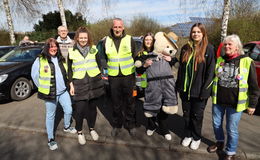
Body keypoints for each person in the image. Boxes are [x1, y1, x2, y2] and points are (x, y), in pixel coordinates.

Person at [207, 34, 259, 160]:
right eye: (225, 44)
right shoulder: (220, 60)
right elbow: (214, 78)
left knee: (232, 129)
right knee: (216, 124)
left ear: (237, 47)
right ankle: (220, 142)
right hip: (218, 100)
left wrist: (252, 104)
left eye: (230, 44)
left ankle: (230, 152)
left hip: (235, 103)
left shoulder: (246, 61)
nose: (227, 46)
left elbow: (254, 85)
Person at [31, 38, 76, 151]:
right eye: (51, 46)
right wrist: (42, 88)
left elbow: (65, 74)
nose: (54, 48)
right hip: (50, 94)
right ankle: (51, 139)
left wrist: (69, 86)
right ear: (47, 47)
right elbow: (34, 75)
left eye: (55, 46)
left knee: (69, 110)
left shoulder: (61, 58)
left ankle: (67, 126)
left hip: (63, 91)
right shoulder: (40, 59)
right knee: (51, 116)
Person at [176, 23, 215, 150]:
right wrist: (179, 86)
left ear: (203, 33)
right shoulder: (185, 48)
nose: (196, 34)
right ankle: (188, 135)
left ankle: (196, 137)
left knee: (197, 116)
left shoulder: (209, 48)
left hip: (200, 92)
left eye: (198, 32)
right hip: (185, 91)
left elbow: (211, 72)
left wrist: (205, 91)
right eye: (194, 32)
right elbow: (181, 70)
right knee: (186, 115)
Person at [135, 32, 178, 140]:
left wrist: (171, 59)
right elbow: (138, 69)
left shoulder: (162, 51)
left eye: (150, 40)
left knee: (164, 107)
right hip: (148, 85)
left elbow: (175, 61)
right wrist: (144, 65)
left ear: (154, 41)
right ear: (144, 42)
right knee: (151, 106)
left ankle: (164, 129)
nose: (148, 42)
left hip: (164, 85)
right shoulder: (141, 54)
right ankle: (152, 125)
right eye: (146, 40)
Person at [100, 18, 137, 137]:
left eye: (119, 27)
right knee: (116, 103)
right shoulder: (106, 41)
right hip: (114, 76)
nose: (117, 29)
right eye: (115, 27)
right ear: (112, 28)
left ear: (123, 27)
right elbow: (103, 58)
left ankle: (130, 124)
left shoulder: (129, 39)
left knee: (130, 102)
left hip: (128, 75)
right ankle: (117, 125)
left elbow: (135, 56)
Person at [68, 27, 104, 145]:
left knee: (92, 109)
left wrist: (98, 77)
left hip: (94, 84)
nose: (83, 40)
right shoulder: (71, 51)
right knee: (79, 110)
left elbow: (99, 65)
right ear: (77, 38)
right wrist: (71, 85)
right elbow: (69, 70)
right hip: (79, 84)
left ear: (88, 38)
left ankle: (92, 129)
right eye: (81, 37)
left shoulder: (94, 49)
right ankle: (79, 132)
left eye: (85, 37)